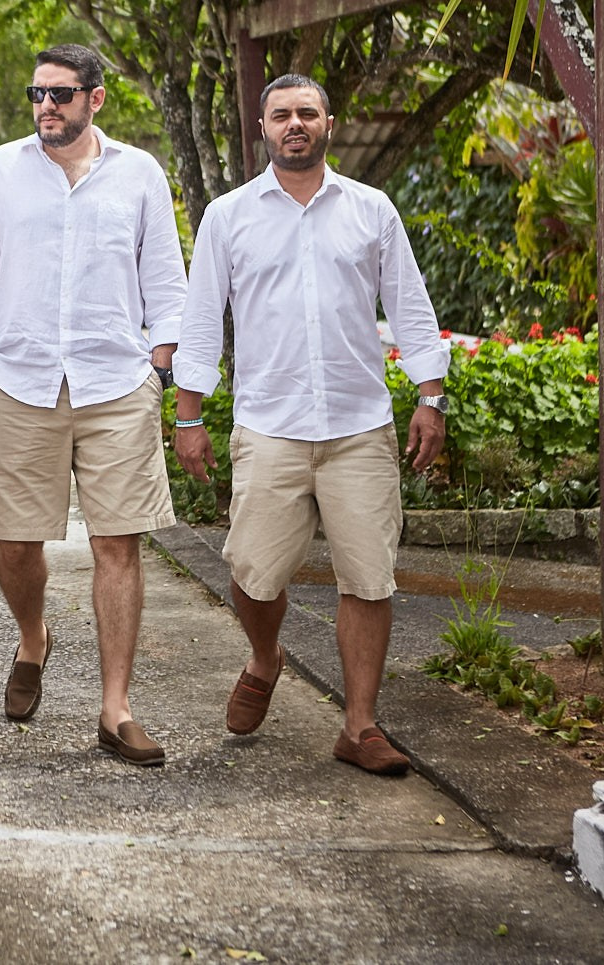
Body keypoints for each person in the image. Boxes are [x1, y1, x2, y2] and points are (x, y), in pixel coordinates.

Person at [172, 73, 449, 777]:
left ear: (329, 123)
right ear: (262, 129)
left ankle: (359, 725)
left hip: (359, 427)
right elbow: (200, 320)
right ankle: (266, 656)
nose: (294, 123)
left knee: (369, 578)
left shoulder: (371, 210)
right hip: (270, 424)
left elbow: (410, 306)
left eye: (307, 112)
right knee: (252, 574)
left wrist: (431, 396)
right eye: (281, 115)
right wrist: (188, 415)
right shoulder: (229, 216)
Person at [0, 44, 186, 766]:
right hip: (22, 381)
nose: (46, 106)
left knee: (117, 544)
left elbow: (166, 284)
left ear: (96, 97)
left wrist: (160, 368)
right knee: (16, 544)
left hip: (116, 383)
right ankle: (34, 636)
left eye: (60, 93)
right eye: (38, 93)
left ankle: (116, 709)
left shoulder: (139, 173)